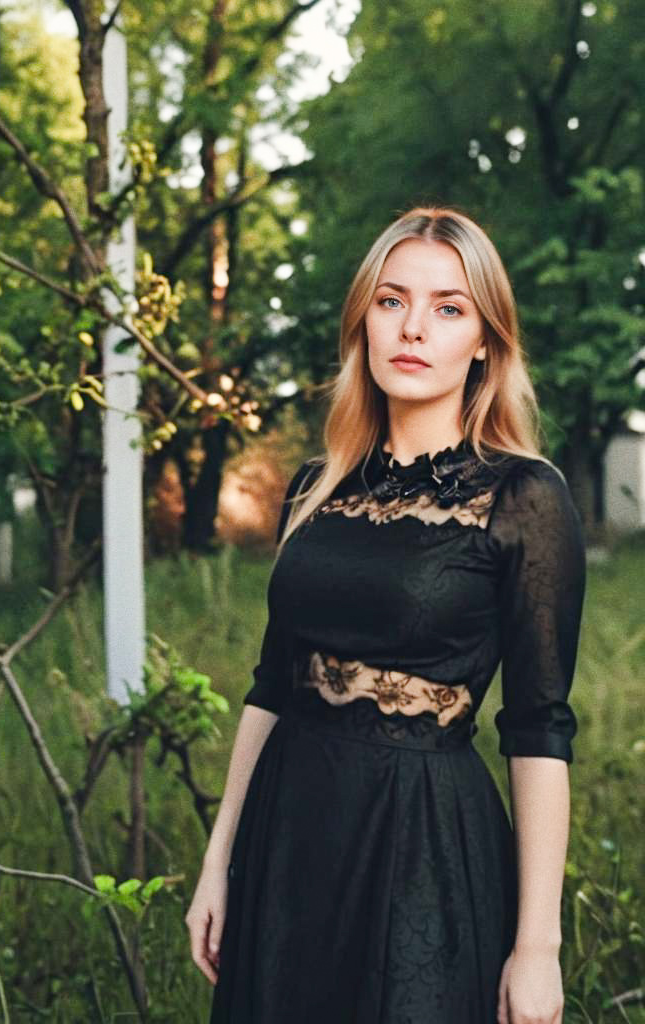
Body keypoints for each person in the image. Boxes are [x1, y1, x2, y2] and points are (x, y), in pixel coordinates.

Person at [185, 206, 587, 1024]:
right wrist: (219, 857)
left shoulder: (523, 496)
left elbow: (540, 726)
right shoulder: (315, 486)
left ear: (484, 341)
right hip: (289, 834)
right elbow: (272, 684)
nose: (413, 329)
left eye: (448, 308)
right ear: (363, 319)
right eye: (391, 300)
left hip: (423, 846)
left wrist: (537, 946)